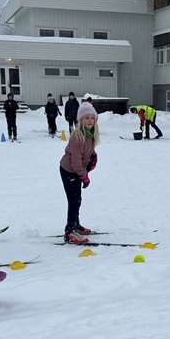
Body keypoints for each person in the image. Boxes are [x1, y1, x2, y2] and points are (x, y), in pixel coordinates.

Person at [59, 102, 99, 244]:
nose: (89, 120)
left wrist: (93, 156)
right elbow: (75, 161)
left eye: (91, 117)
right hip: (69, 171)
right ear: (80, 120)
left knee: (77, 199)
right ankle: (70, 231)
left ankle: (76, 224)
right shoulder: (77, 136)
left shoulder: (91, 135)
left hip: (77, 171)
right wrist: (84, 176)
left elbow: (87, 151)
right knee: (73, 201)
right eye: (86, 118)